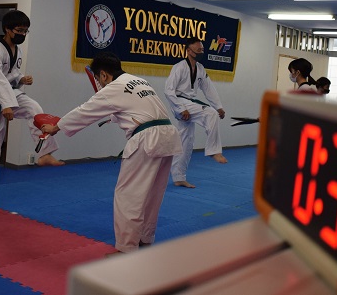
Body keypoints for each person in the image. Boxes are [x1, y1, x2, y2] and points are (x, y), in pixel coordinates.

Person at [40, 52, 182, 254]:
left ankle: (126, 249)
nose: (100, 83)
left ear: (104, 74)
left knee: (128, 195)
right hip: (167, 136)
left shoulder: (113, 88)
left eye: (99, 79)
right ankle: (145, 238)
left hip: (147, 139)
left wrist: (56, 127)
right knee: (153, 194)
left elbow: (84, 111)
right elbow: (136, 109)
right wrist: (115, 117)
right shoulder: (139, 81)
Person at [0, 10, 64, 214]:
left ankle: (45, 152)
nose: (22, 34)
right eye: (19, 30)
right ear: (7, 29)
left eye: (25, 31)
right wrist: (6, 104)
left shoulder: (17, 50)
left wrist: (21, 78)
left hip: (9, 93)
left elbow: (11, 74)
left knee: (35, 109)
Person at [164, 37, 227, 189]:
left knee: (186, 142)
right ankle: (213, 151)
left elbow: (208, 88)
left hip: (190, 104)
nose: (201, 52)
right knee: (210, 113)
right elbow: (168, 90)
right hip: (180, 102)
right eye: (198, 50)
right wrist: (180, 108)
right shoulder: (179, 67)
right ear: (188, 51)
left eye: (202, 50)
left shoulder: (200, 68)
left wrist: (218, 106)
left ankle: (179, 177)